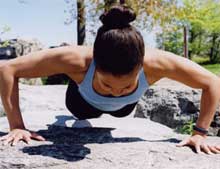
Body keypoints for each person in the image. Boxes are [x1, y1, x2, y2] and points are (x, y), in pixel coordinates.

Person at [0, 4, 220, 155]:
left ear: (142, 66)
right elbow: (7, 69)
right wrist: (17, 126)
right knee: (84, 112)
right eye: (107, 84)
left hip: (123, 110)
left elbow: (212, 82)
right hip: (81, 104)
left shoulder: (157, 63)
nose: (116, 92)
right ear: (94, 63)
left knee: (120, 107)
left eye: (126, 85)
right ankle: (77, 83)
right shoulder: (76, 59)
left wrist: (199, 133)